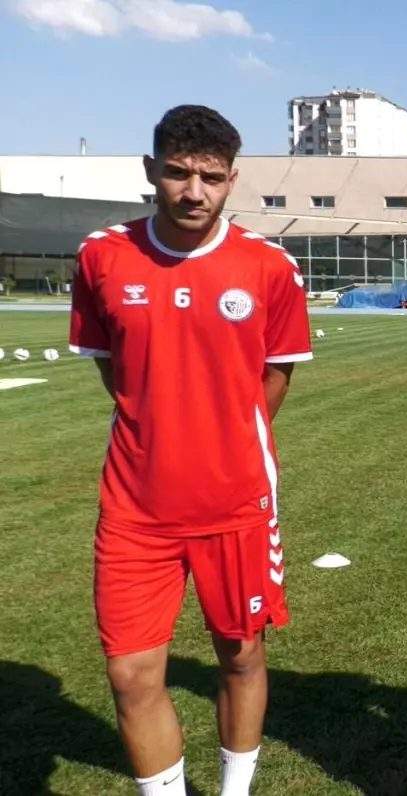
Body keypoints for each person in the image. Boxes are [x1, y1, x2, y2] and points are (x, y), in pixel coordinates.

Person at [69, 105, 312, 795]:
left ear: (232, 178)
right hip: (135, 508)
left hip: (236, 504)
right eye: (178, 173)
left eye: (211, 177)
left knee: (240, 657)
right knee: (130, 673)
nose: (194, 192)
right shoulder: (102, 256)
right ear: (152, 170)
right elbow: (112, 367)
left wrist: (222, 434)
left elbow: (276, 374)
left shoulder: (268, 266)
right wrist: (162, 423)